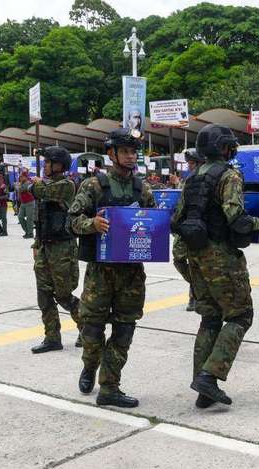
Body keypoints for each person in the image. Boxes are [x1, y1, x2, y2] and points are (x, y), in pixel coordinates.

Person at [172, 124, 259, 408]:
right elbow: (236, 218)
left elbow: (176, 220)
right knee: (241, 316)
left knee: (209, 318)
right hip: (221, 256)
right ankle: (210, 375)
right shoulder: (229, 176)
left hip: (196, 255)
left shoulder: (192, 178)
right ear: (223, 148)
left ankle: (202, 387)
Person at [69, 128, 155, 408]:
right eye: (126, 151)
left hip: (131, 273)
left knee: (124, 330)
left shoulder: (143, 189)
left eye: (134, 152)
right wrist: (91, 224)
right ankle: (90, 365)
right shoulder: (93, 186)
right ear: (112, 154)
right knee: (92, 330)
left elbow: (153, 223)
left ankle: (109, 386)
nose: (131, 157)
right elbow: (72, 220)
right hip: (100, 273)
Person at [19, 146, 83, 354]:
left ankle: (88, 328)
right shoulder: (47, 183)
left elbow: (38, 190)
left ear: (59, 166)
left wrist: (32, 185)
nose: (44, 165)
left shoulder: (67, 185)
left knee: (64, 295)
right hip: (46, 245)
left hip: (63, 248)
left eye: (48, 162)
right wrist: (37, 245)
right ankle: (52, 337)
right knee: (44, 294)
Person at [172, 148, 205, 311]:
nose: (189, 166)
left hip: (197, 226)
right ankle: (196, 285)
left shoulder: (205, 179)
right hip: (182, 225)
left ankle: (195, 296)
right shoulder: (187, 180)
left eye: (192, 163)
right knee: (178, 258)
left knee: (195, 261)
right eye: (189, 163)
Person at [17, 170, 36, 239]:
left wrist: (18, 186)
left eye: (21, 177)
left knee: (29, 219)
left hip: (29, 202)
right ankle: (27, 231)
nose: (20, 178)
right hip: (23, 202)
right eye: (20, 177)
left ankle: (30, 233)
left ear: (25, 177)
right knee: (20, 217)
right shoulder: (21, 183)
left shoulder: (28, 182)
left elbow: (22, 189)